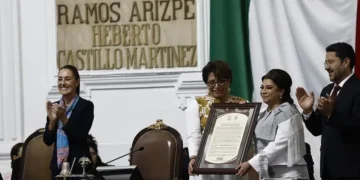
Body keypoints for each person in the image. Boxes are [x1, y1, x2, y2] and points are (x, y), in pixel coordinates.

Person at [296, 42, 360, 179]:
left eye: (330, 62)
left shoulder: (358, 89)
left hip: (352, 170)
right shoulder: (327, 90)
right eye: (325, 63)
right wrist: (308, 112)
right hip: (327, 169)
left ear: (346, 62)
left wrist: (331, 114)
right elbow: (317, 129)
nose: (326, 68)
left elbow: (357, 126)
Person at [236, 69, 309, 179]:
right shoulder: (262, 113)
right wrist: (244, 112)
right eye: (262, 87)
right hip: (268, 172)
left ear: (281, 91)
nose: (263, 91)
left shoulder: (287, 111)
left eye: (269, 88)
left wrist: (251, 163)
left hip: (288, 173)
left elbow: (279, 144)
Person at [186, 61, 248, 180]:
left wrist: (244, 112)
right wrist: (194, 157)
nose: (217, 86)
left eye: (221, 81)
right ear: (206, 83)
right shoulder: (197, 104)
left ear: (229, 80)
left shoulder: (242, 103)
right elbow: (194, 134)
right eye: (212, 82)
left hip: (233, 163)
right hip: (205, 163)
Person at [43, 65, 94, 179]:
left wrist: (64, 118)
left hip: (79, 166)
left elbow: (80, 137)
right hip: (58, 167)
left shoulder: (85, 106)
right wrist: (52, 121)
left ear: (77, 82)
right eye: (60, 79)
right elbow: (47, 140)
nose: (62, 83)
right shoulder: (55, 107)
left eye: (67, 79)